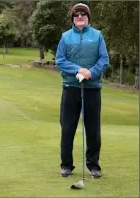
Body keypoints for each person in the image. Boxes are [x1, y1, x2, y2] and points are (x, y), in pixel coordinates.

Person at [55, 3, 109, 178]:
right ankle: (66, 165)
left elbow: (104, 59)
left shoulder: (97, 36)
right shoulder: (65, 37)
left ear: (88, 18)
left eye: (83, 15)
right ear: (73, 18)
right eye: (77, 15)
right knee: (67, 128)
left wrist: (91, 72)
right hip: (71, 88)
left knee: (93, 130)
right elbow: (60, 60)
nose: (80, 17)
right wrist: (78, 70)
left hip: (92, 89)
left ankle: (93, 165)